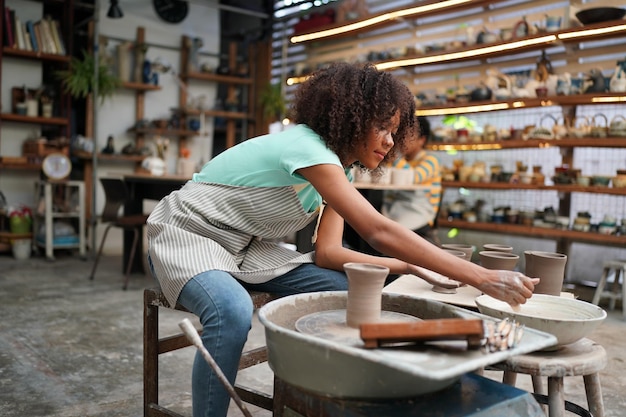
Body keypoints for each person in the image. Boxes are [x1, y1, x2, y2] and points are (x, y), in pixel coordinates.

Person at [146, 62, 538, 417]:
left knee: (343, 290)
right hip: (185, 232)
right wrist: (481, 277)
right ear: (352, 118)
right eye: (381, 128)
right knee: (231, 311)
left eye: (394, 132)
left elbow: (329, 254)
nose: (389, 142)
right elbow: (377, 230)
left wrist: (407, 265)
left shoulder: (342, 172)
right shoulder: (304, 146)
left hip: (243, 248)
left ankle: (323, 399)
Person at [382, 116, 442, 245]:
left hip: (419, 212)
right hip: (396, 208)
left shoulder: (431, 160)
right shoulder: (403, 160)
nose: (402, 139)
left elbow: (414, 178)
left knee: (386, 232)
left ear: (422, 140)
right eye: (401, 134)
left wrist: (394, 156)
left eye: (409, 135)